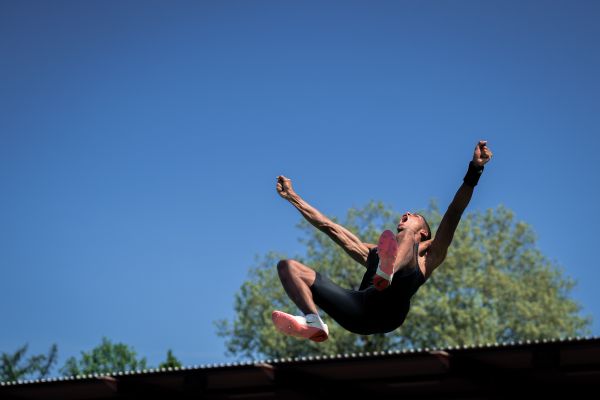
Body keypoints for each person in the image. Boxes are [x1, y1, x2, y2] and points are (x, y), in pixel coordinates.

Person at [271, 140, 493, 342]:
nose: (406, 213)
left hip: (390, 312)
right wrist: (293, 197)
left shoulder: (431, 256)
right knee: (288, 267)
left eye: (414, 216)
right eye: (405, 215)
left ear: (425, 233)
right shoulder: (374, 253)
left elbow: (454, 212)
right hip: (357, 311)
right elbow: (330, 227)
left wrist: (475, 170)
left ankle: (389, 271)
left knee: (405, 237)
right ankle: (312, 320)